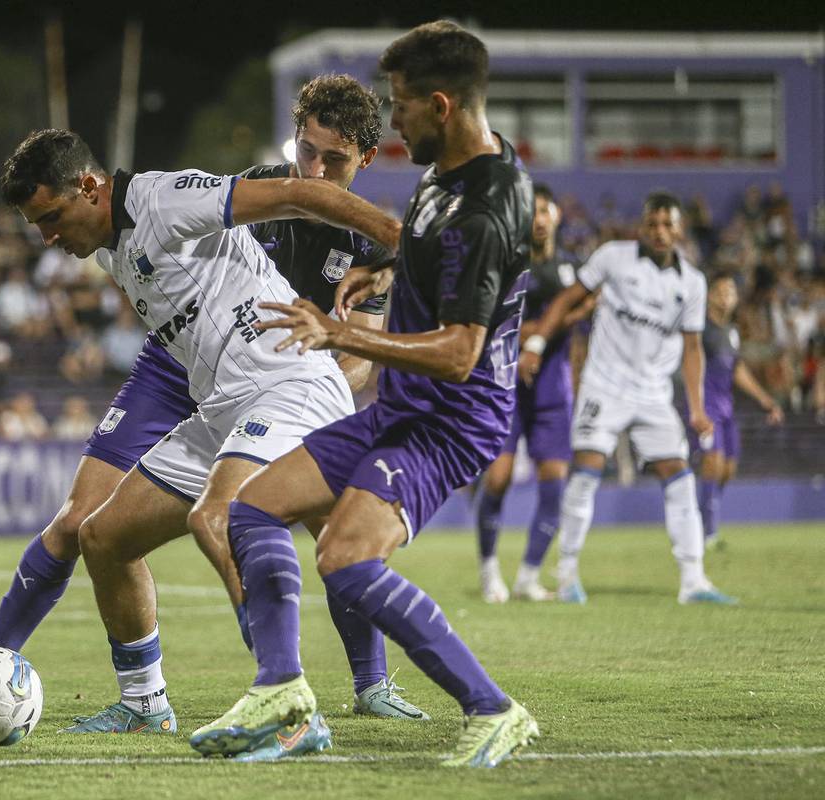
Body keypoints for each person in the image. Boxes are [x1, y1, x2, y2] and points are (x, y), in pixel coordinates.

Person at [0, 77, 424, 744]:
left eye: (51, 219)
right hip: (216, 393)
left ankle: (286, 701)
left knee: (223, 517)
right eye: (36, 226)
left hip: (289, 383)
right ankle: (144, 703)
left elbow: (301, 197)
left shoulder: (165, 199)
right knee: (102, 536)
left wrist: (401, 241)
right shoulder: (105, 239)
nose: (47, 237)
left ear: (92, 189)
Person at [193, 21, 537, 767]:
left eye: (402, 103)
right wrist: (386, 274)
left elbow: (458, 354)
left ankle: (494, 708)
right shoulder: (454, 169)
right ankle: (283, 694)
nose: (396, 116)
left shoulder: (483, 206)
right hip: (403, 407)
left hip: (449, 419)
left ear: (440, 104)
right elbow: (440, 256)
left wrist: (339, 334)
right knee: (250, 509)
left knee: (345, 560)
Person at [520, 192, 737, 606]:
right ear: (642, 226)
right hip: (605, 385)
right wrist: (535, 341)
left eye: (667, 224)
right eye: (651, 224)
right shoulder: (613, 257)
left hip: (654, 393)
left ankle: (693, 580)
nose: (659, 232)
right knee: (586, 473)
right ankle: (566, 576)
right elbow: (568, 299)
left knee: (678, 475)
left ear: (679, 230)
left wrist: (695, 408)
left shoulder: (692, 282)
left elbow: (693, 348)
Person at [475, 184, 593, 602]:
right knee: (500, 476)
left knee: (553, 482)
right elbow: (490, 322)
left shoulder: (571, 270)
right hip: (506, 383)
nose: (539, 219)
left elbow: (577, 325)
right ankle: (489, 571)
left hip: (553, 388)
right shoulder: (509, 267)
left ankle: (527, 576)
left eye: (545, 210)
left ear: (558, 216)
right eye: (533, 212)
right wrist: (537, 334)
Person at [694, 273, 783, 547]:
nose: (727, 297)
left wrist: (765, 399)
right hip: (706, 404)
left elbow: (736, 370)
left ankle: (704, 519)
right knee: (713, 462)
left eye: (731, 292)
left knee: (729, 469)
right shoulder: (700, 329)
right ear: (710, 295)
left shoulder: (730, 332)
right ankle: (706, 532)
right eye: (721, 291)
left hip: (726, 406)